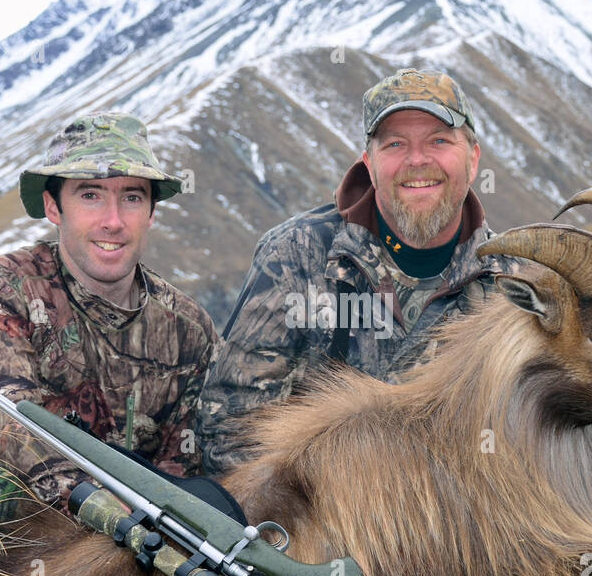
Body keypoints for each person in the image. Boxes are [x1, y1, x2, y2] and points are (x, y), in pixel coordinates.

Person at [195, 67, 518, 476]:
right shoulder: (294, 256)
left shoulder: (516, 282)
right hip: (322, 525)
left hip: (470, 528)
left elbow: (538, 442)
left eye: (439, 140)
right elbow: (230, 431)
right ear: (369, 163)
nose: (418, 161)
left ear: (473, 160)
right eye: (396, 144)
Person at [0, 113, 218, 542]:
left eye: (132, 198)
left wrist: (168, 520)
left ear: (151, 212)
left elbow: (184, 461)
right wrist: (102, 505)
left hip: (139, 529)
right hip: (24, 515)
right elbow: (10, 418)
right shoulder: (1, 288)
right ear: (54, 207)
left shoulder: (190, 329)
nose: (113, 221)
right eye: (91, 195)